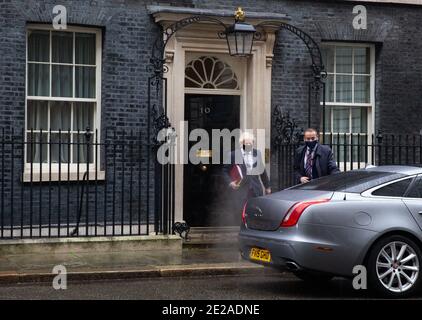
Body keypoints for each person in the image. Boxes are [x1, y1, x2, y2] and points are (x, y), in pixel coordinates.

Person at [223, 132, 271, 203]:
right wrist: (230, 182)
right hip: (241, 192)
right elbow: (225, 171)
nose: (248, 145)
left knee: (256, 212)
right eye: (246, 144)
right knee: (241, 213)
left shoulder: (257, 153)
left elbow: (262, 171)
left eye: (250, 143)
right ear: (242, 144)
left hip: (256, 190)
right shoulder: (233, 155)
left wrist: (267, 187)